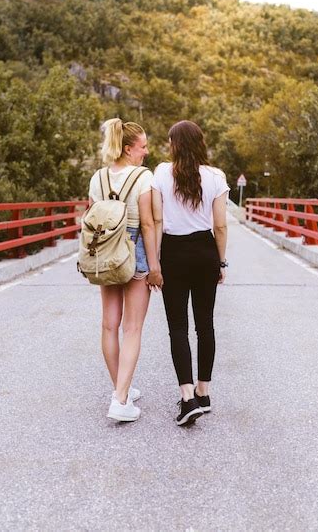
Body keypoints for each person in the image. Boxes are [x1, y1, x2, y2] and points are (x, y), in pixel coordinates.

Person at [151, 120, 229, 426]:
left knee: (178, 328)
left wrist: (155, 264)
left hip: (173, 253)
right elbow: (220, 226)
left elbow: (157, 221)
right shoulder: (215, 177)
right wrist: (221, 262)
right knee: (205, 325)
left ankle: (187, 398)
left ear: (174, 144)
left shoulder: (160, 173)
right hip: (205, 250)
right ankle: (204, 393)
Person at [88, 118, 162, 422]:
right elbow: (148, 223)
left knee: (109, 325)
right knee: (132, 328)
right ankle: (120, 400)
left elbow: (91, 218)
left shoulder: (97, 178)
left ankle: (122, 387)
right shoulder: (143, 178)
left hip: (106, 251)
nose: (146, 152)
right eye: (143, 147)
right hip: (135, 250)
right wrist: (155, 266)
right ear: (129, 148)